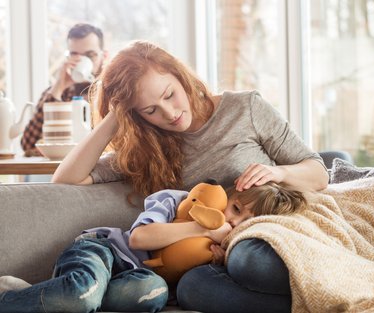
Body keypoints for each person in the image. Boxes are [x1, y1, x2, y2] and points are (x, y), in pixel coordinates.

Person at [51, 40, 328, 312]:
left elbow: (318, 174)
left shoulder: (245, 109)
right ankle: (314, 303)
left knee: (249, 262)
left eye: (169, 95)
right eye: (150, 110)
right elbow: (66, 178)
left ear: (180, 76)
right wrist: (115, 114)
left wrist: (277, 172)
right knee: (191, 289)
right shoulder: (148, 150)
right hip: (214, 259)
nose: (169, 113)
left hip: (268, 236)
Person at [0, 182, 306, 312]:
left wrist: (220, 258)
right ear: (227, 195)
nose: (233, 222)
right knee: (83, 294)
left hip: (137, 280)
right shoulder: (181, 201)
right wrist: (203, 227)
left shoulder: (230, 253)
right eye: (236, 208)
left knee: (152, 295)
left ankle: (44, 294)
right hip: (104, 251)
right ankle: (19, 298)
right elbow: (139, 239)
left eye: (245, 222)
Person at [21, 23, 108, 156]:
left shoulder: (114, 91)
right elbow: (28, 144)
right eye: (75, 55)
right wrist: (58, 87)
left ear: (104, 56)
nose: (81, 61)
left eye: (90, 55)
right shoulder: (60, 92)